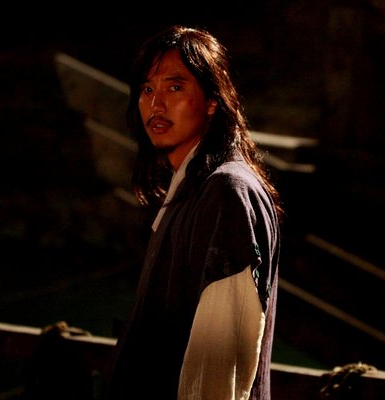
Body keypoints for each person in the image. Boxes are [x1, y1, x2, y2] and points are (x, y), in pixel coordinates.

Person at [105, 25, 283, 400]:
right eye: (147, 90)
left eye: (175, 87)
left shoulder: (227, 192)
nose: (156, 105)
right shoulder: (192, 186)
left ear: (212, 102)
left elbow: (218, 370)